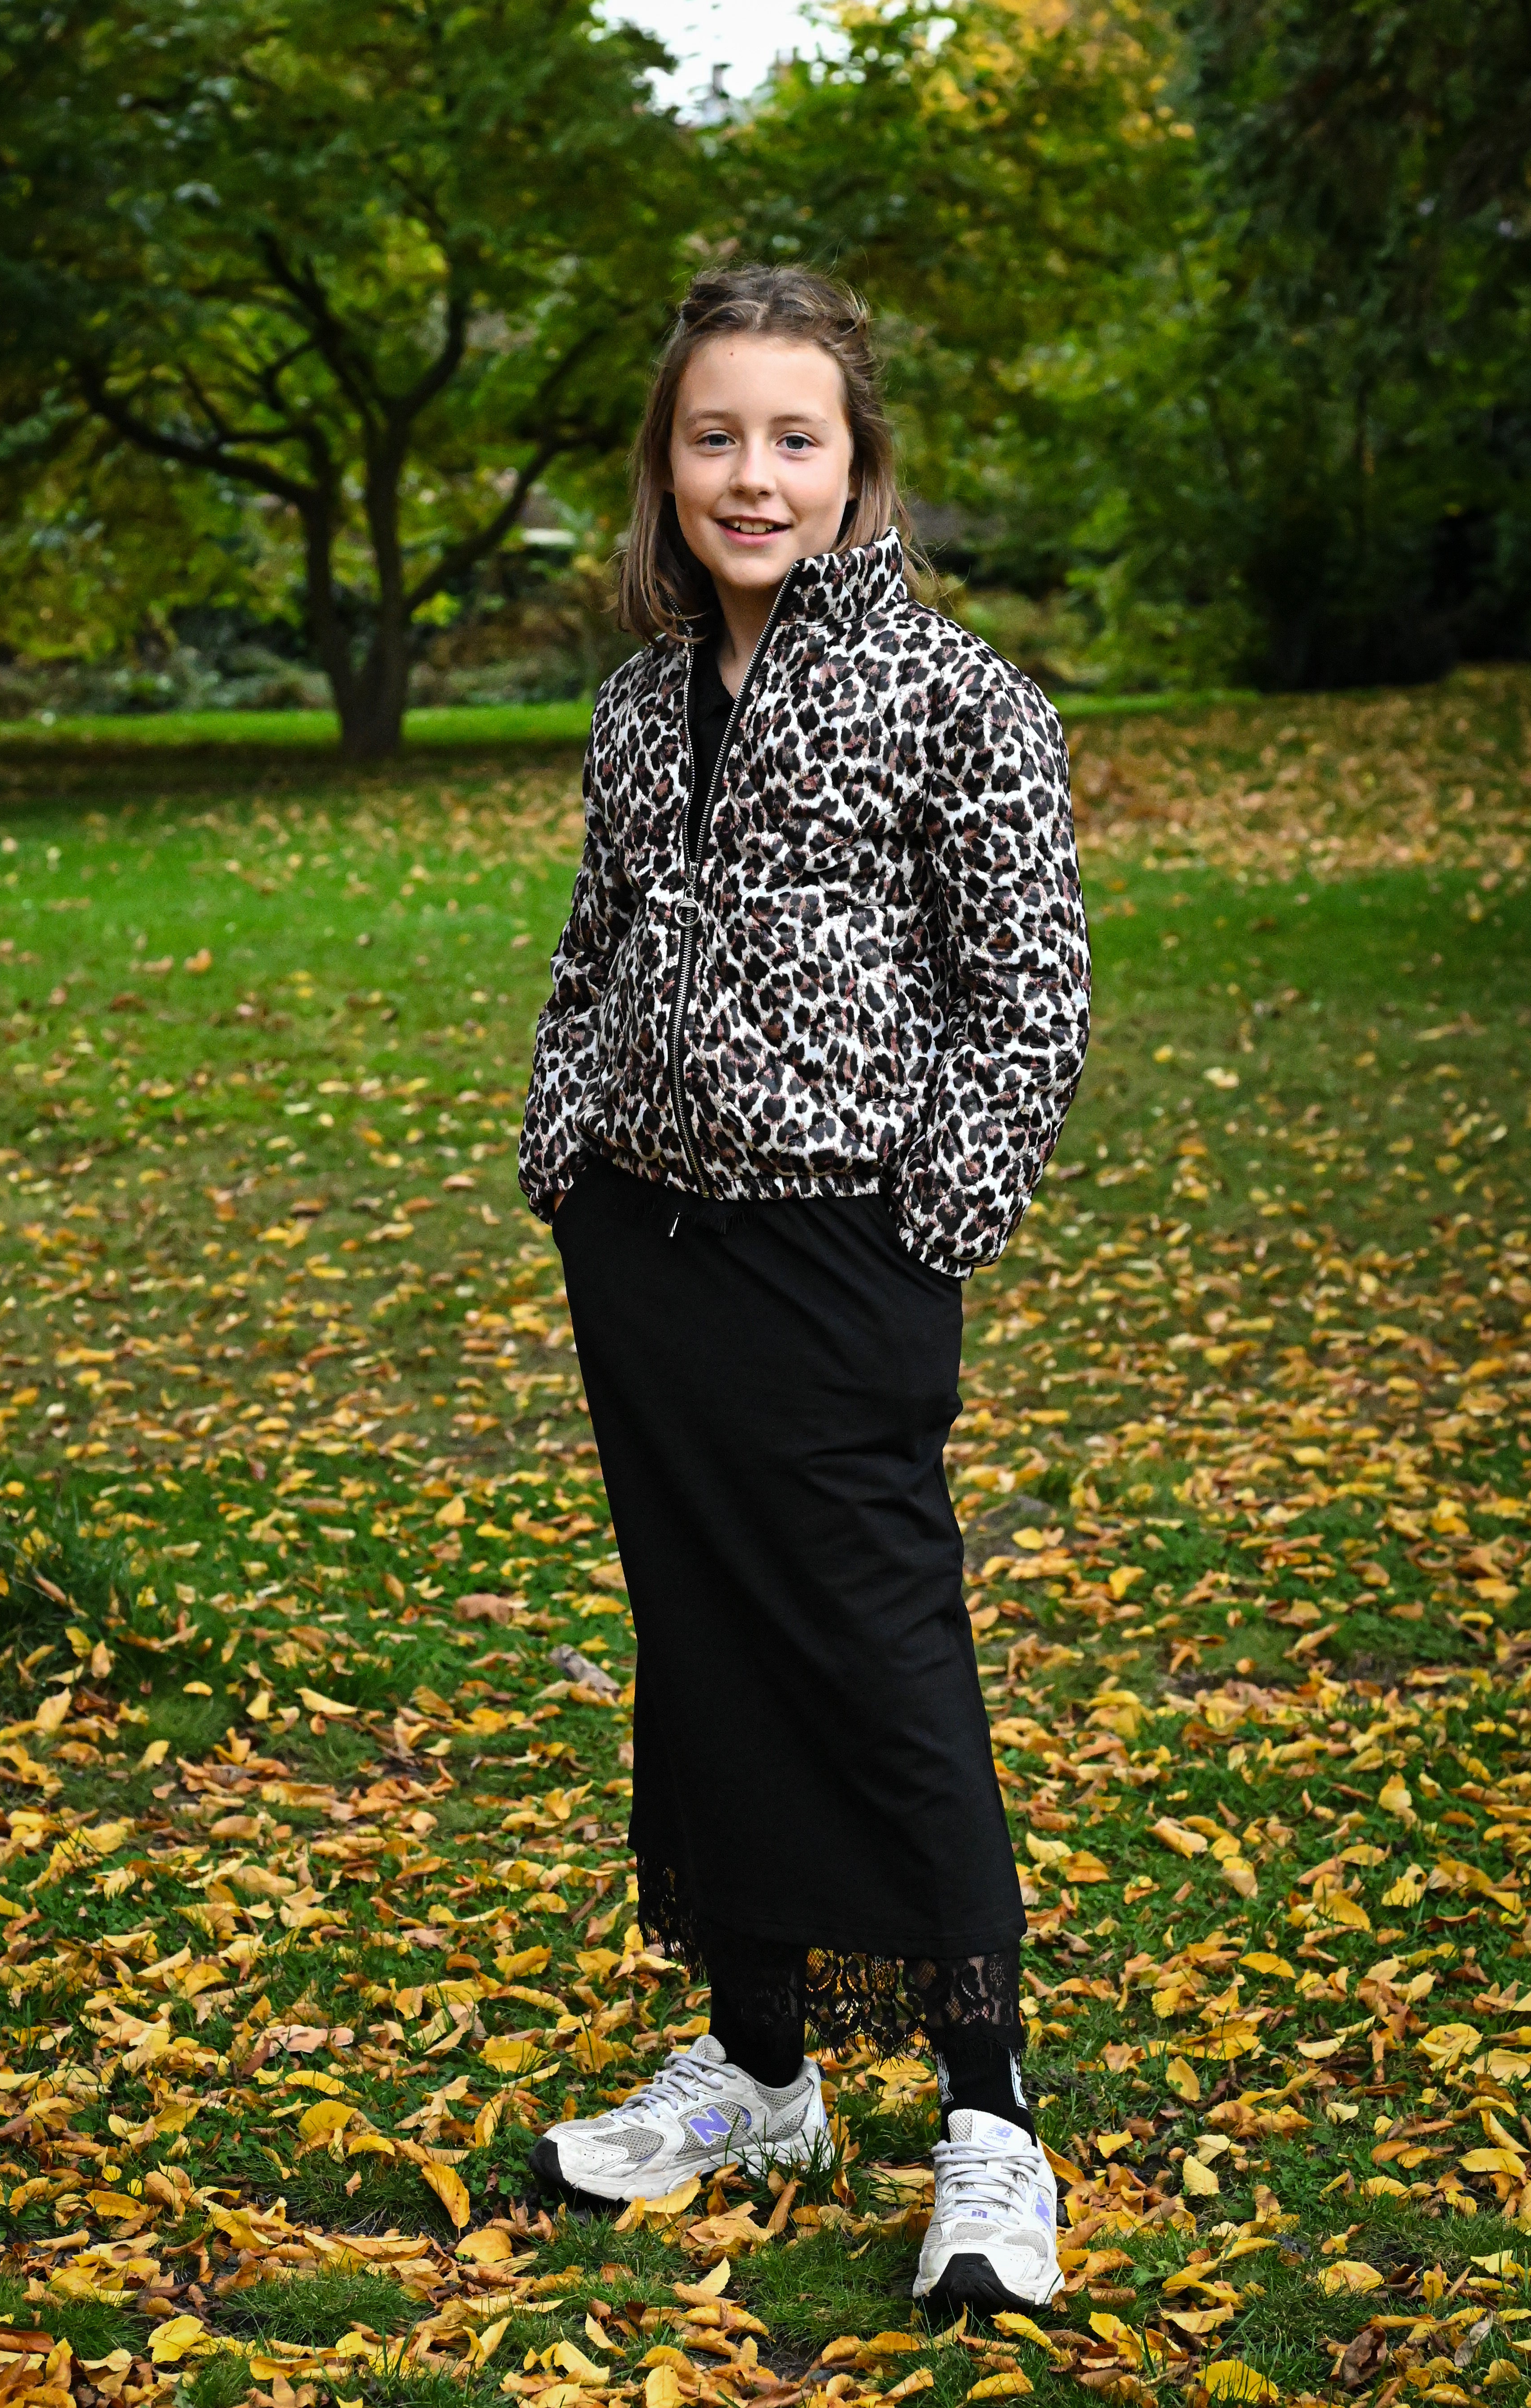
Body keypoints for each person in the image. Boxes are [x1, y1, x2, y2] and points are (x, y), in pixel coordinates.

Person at [517, 263, 1090, 2316]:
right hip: (645, 1252)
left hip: (844, 1257)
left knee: (880, 1658)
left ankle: (991, 2122)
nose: (750, 476)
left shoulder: (955, 699)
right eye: (713, 437)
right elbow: (594, 948)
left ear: (858, 467)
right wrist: (564, 1144)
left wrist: (925, 1223)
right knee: (703, 1648)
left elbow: (1030, 1001)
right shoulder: (636, 706)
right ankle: (759, 2069)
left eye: (792, 437)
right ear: (665, 466)